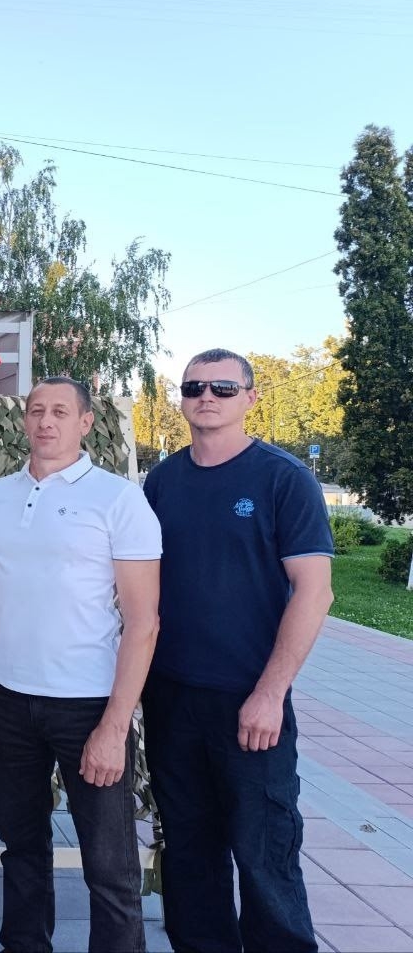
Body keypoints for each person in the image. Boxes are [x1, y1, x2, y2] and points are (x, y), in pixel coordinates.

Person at [142, 348, 334, 952]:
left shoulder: (284, 479)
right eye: (194, 387)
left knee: (264, 853)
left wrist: (271, 694)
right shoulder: (162, 481)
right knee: (189, 851)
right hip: (171, 698)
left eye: (223, 388)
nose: (207, 396)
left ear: (251, 397)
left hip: (249, 702)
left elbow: (315, 592)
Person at [0, 376, 161, 953]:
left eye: (59, 411)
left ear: (86, 423)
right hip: (8, 701)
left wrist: (115, 727)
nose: (45, 421)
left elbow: (143, 623)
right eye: (36, 410)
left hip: (88, 706)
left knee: (110, 865)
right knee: (22, 850)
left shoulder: (119, 500)